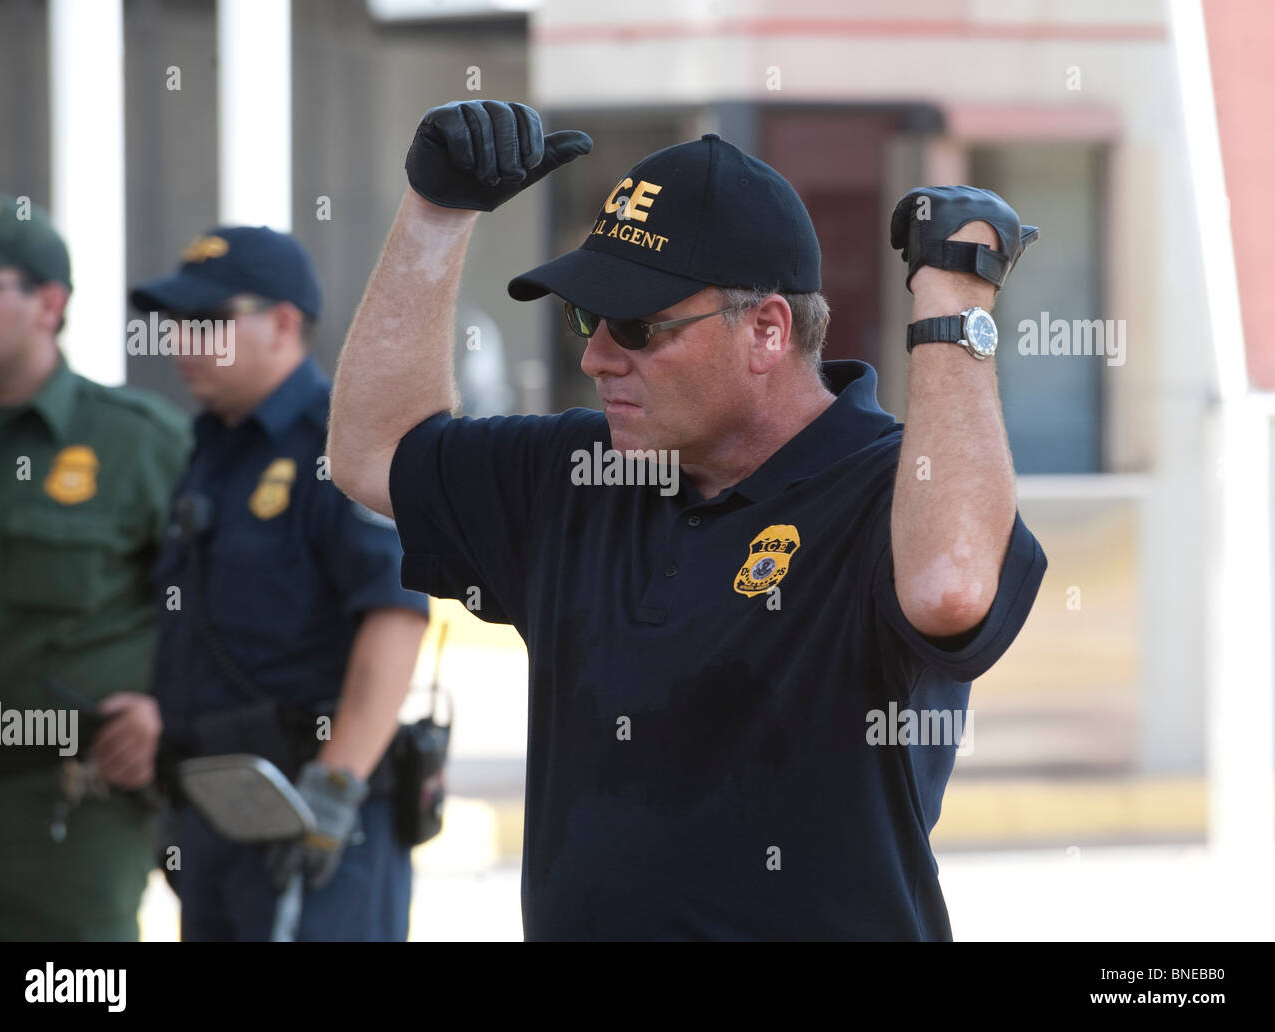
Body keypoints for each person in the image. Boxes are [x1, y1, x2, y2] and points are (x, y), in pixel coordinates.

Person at [328, 100, 1047, 940]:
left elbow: (951, 588)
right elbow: (372, 455)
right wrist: (437, 212)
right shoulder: (580, 471)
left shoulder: (891, 489)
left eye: (637, 325)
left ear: (768, 332)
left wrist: (955, 302)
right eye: (584, 318)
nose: (597, 355)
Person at [129, 226, 430, 941]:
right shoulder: (209, 448)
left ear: (284, 324)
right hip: (216, 812)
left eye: (209, 322)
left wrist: (336, 786)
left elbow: (395, 615)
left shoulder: (342, 443)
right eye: (177, 323)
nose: (183, 341)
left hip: (319, 811)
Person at [0, 193, 191, 940]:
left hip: (66, 809)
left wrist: (170, 711)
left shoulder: (136, 445)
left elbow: (217, 608)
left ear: (49, 303)